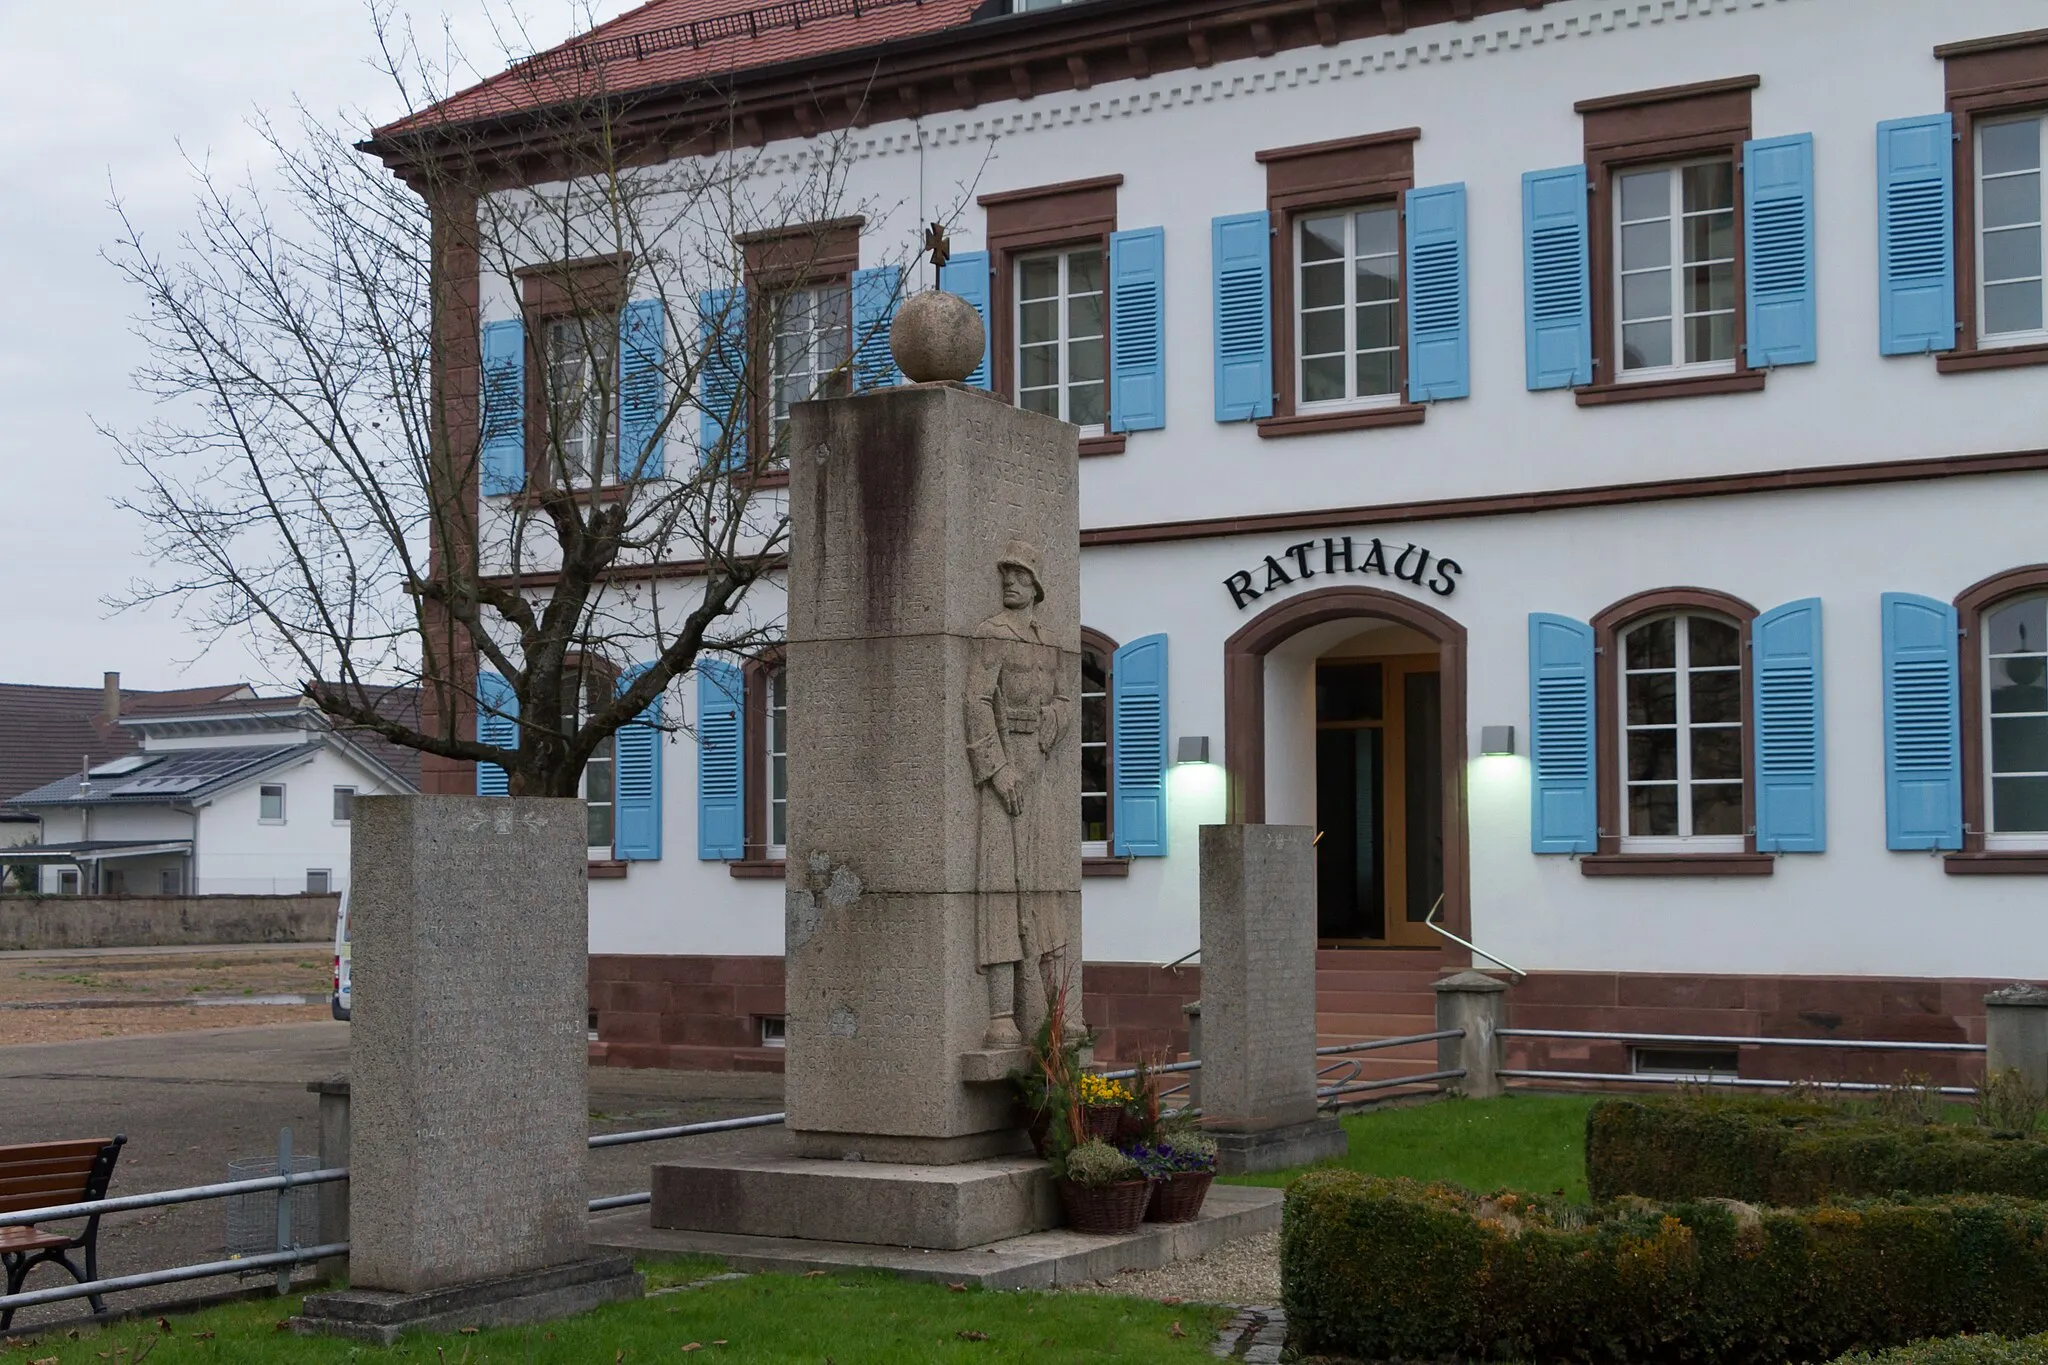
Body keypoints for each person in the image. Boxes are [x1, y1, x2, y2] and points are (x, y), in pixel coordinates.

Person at [964, 539, 1075, 1047]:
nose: (1010, 581)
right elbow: (976, 701)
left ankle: (1055, 1011)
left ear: (1036, 585)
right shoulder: (991, 633)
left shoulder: (1048, 640)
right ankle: (1000, 1017)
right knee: (1000, 889)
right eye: (1005, 573)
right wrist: (997, 769)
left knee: (1046, 886)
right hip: (1006, 768)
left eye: (1020, 575)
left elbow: (1066, 699)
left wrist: (1051, 722)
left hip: (1040, 771)